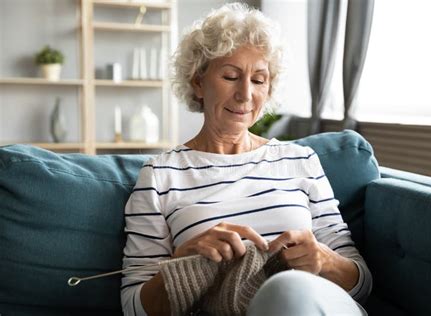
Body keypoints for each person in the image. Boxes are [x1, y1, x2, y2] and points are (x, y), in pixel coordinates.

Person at [121, 3, 372, 315]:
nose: (245, 94)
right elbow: (134, 307)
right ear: (198, 82)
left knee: (287, 289)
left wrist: (324, 260)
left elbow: (360, 283)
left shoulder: (300, 161)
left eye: (258, 80)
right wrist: (180, 264)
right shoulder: (160, 175)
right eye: (230, 76)